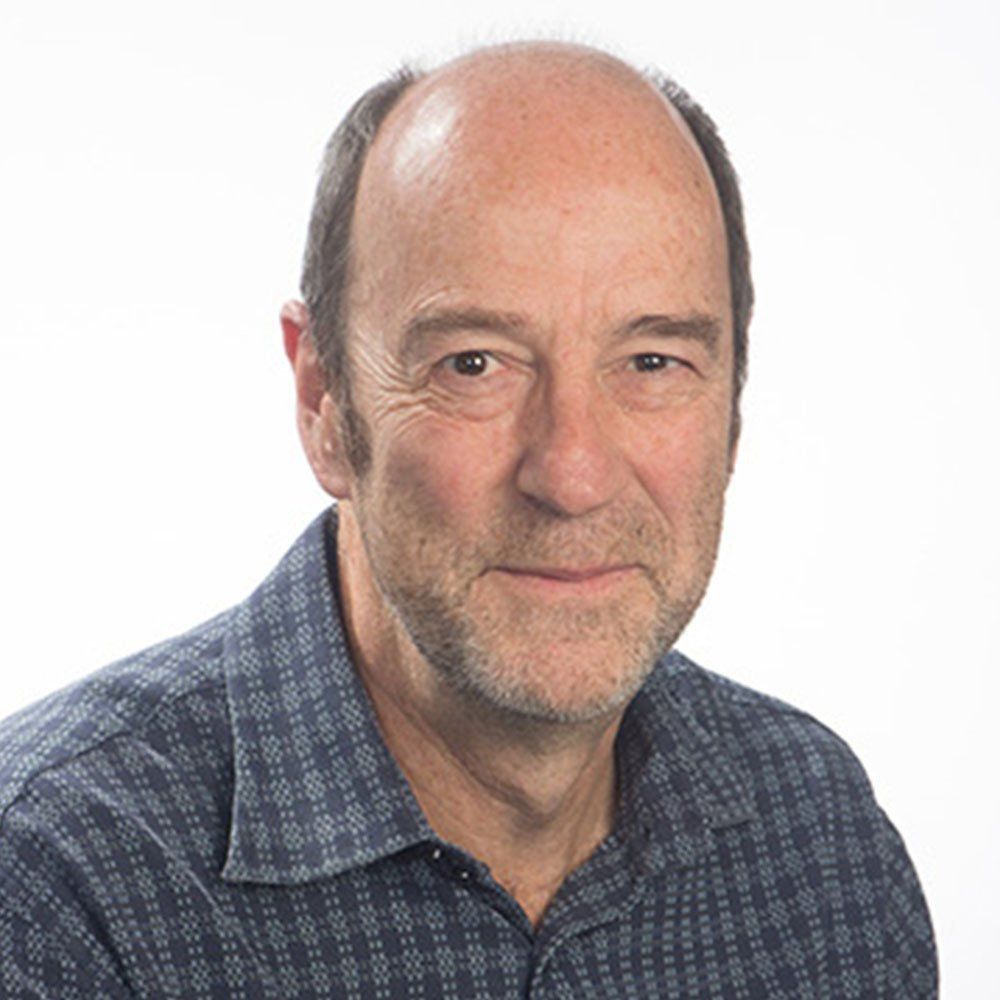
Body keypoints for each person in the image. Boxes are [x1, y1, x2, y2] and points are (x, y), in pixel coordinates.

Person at [0, 41, 936, 998]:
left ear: (732, 409)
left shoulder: (822, 847)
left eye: (653, 363)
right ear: (324, 403)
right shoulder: (51, 890)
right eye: (474, 364)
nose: (572, 475)